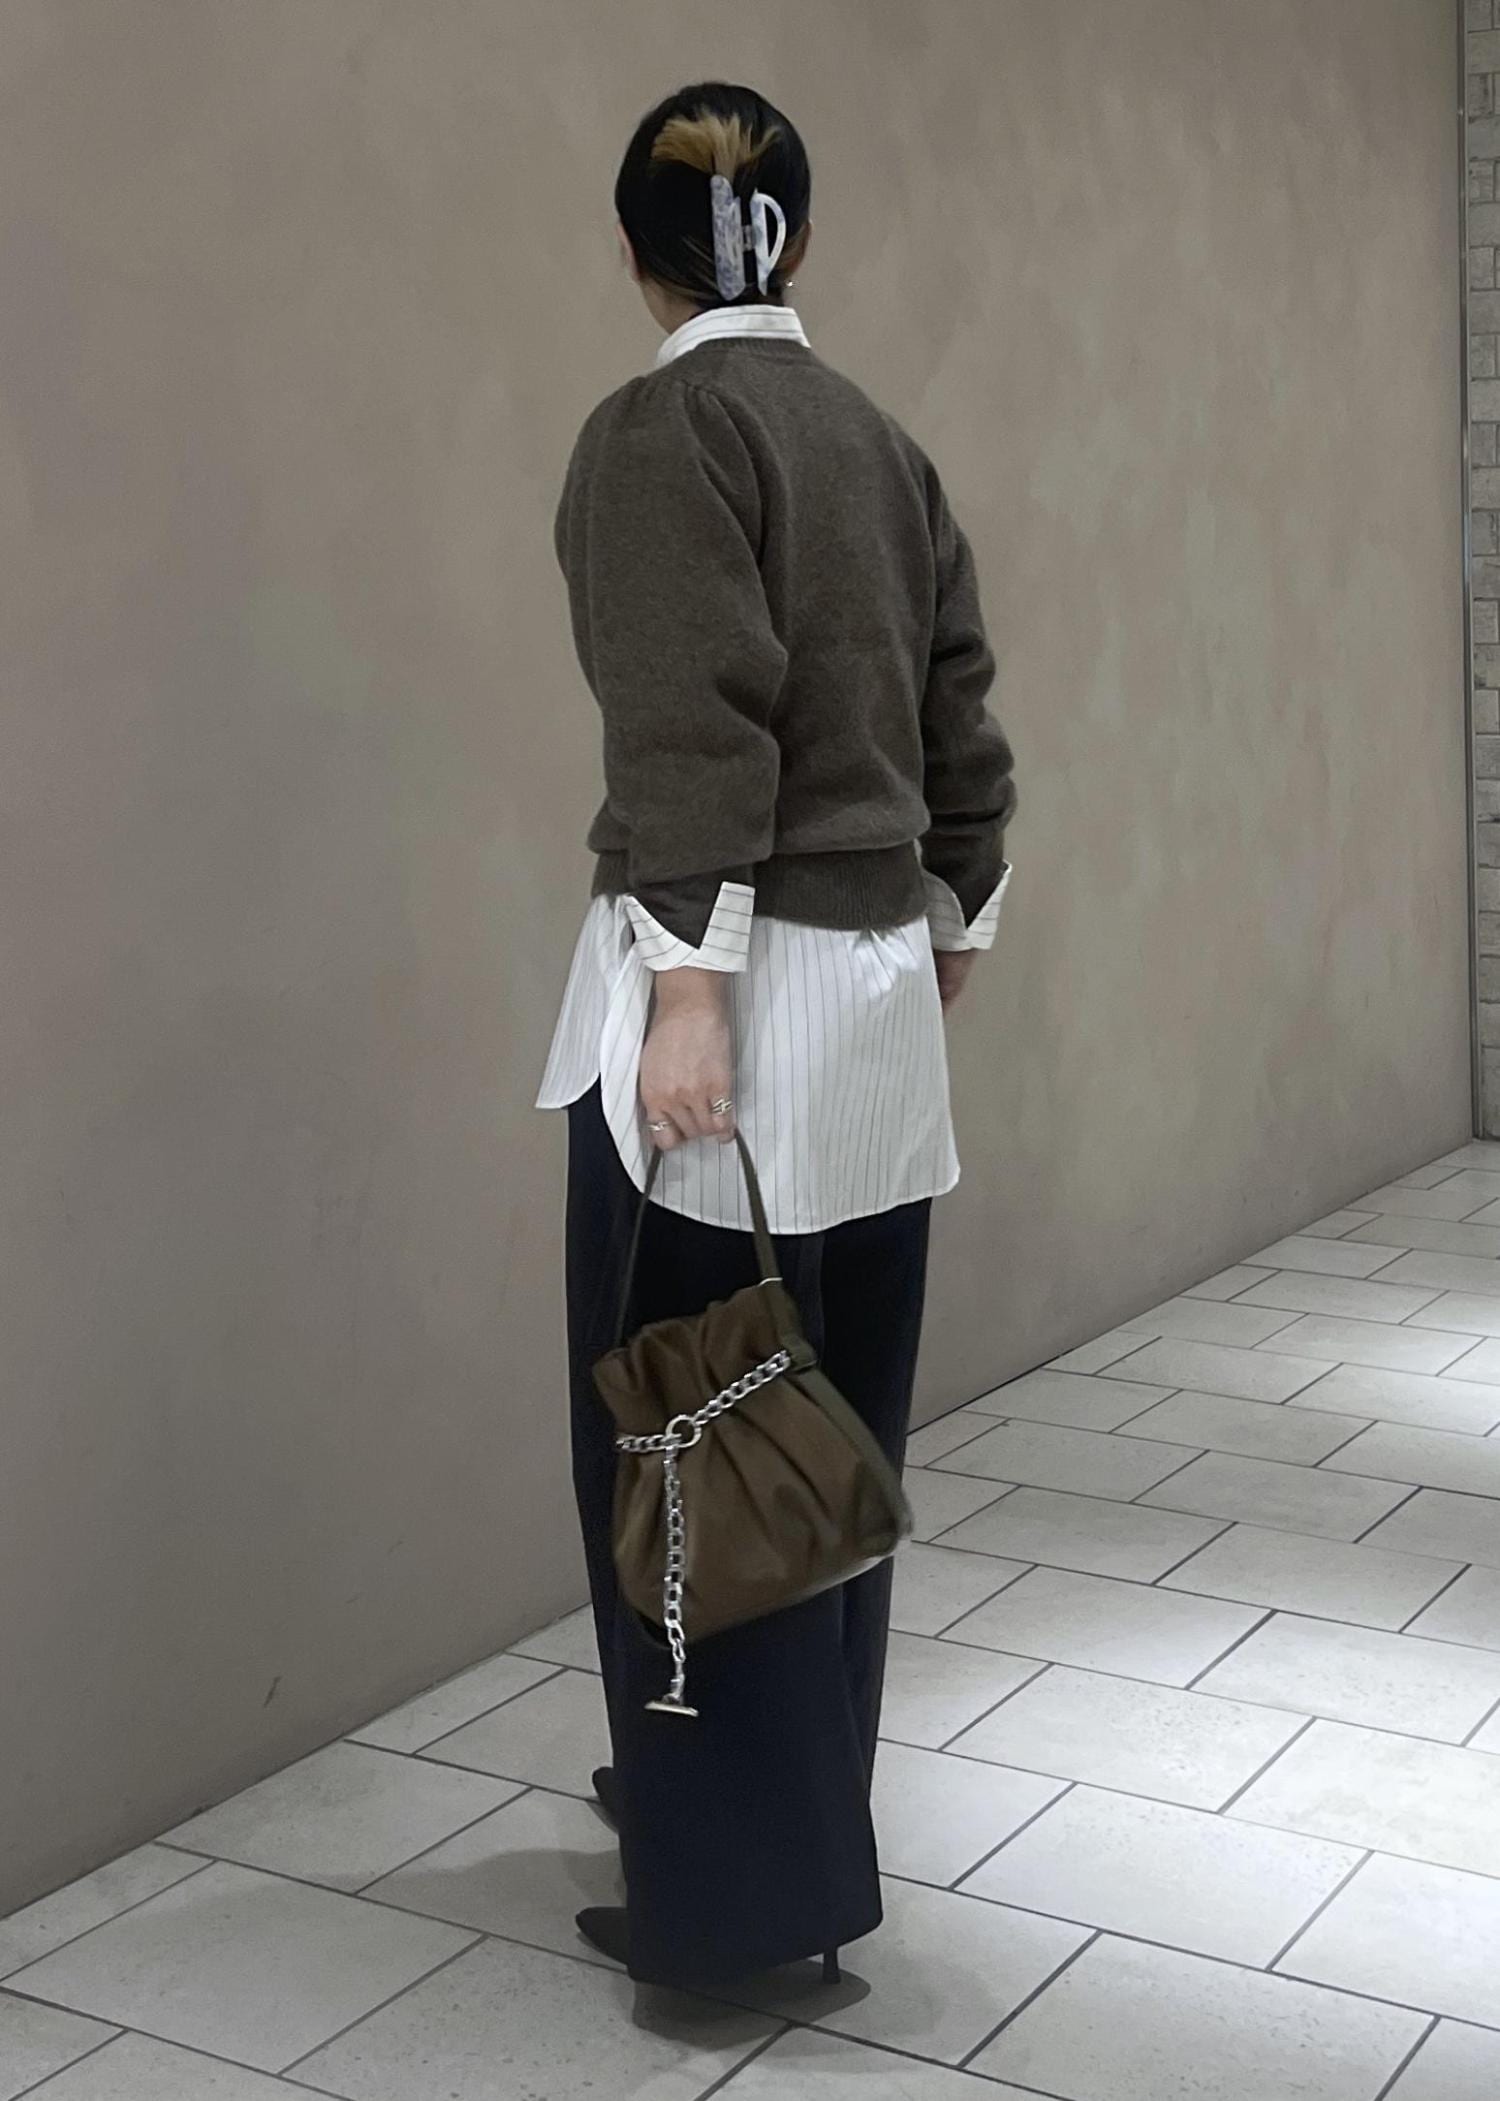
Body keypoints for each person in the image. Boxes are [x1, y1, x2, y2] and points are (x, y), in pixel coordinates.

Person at [537, 79, 1016, 1991]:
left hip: (723, 1026)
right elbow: (959, 711)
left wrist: (683, 990)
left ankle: (734, 1905)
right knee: (827, 1445)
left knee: (693, 1445)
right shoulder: (880, 441)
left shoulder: (663, 432)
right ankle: (781, 1826)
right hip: (876, 1019)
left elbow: (693, 725)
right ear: (797, 242)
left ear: (633, 254)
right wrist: (954, 908)